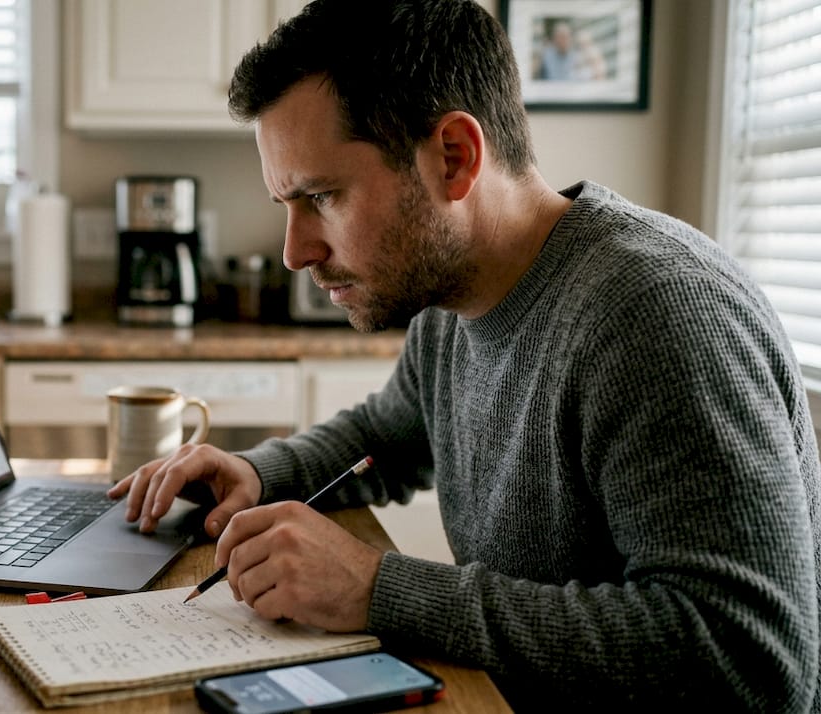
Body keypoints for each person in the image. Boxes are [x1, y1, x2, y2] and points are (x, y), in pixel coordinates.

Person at [107, 0, 821, 710]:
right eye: (285, 205)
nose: (296, 252)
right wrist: (257, 473)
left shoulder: (657, 316)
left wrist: (379, 589)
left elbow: (747, 659)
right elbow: (385, 437)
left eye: (322, 196)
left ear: (454, 157)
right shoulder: (453, 299)